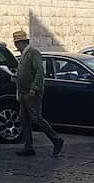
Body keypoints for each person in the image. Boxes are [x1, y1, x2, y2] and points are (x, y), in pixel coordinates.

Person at [12, 28, 64, 157]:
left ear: (21, 43)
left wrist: (34, 88)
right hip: (23, 92)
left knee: (36, 118)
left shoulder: (33, 53)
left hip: (31, 92)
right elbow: (25, 73)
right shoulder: (24, 55)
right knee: (24, 119)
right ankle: (28, 146)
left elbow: (39, 72)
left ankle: (56, 139)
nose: (16, 46)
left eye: (16, 43)